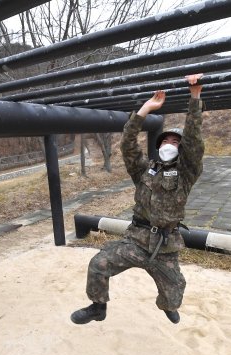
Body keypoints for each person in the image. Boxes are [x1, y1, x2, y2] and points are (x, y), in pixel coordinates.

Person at [70, 74, 205, 325]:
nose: (169, 144)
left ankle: (167, 305)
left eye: (175, 141)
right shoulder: (145, 170)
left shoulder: (187, 173)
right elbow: (128, 144)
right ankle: (98, 307)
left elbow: (195, 142)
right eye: (165, 140)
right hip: (136, 242)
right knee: (98, 264)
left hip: (165, 247)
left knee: (175, 290)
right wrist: (145, 110)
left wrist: (194, 97)